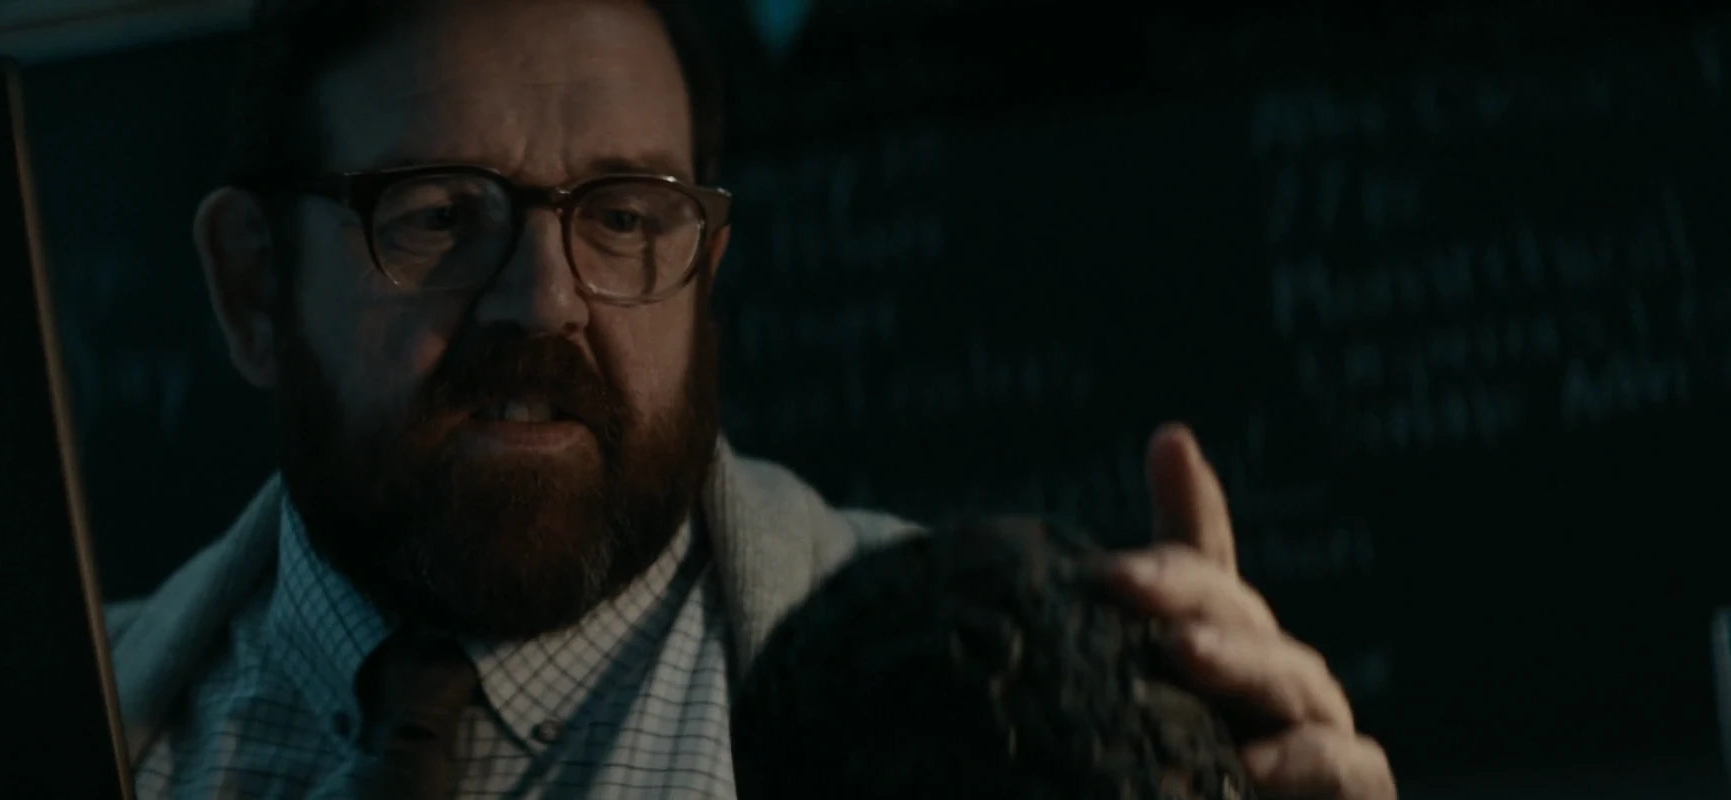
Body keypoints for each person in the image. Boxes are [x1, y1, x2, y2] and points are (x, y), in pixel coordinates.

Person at [105, 0, 1398, 797]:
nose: (545, 304)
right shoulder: (34, 728)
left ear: (705, 267)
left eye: (625, 218)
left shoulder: (986, 723)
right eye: (440, 216)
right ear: (253, 286)